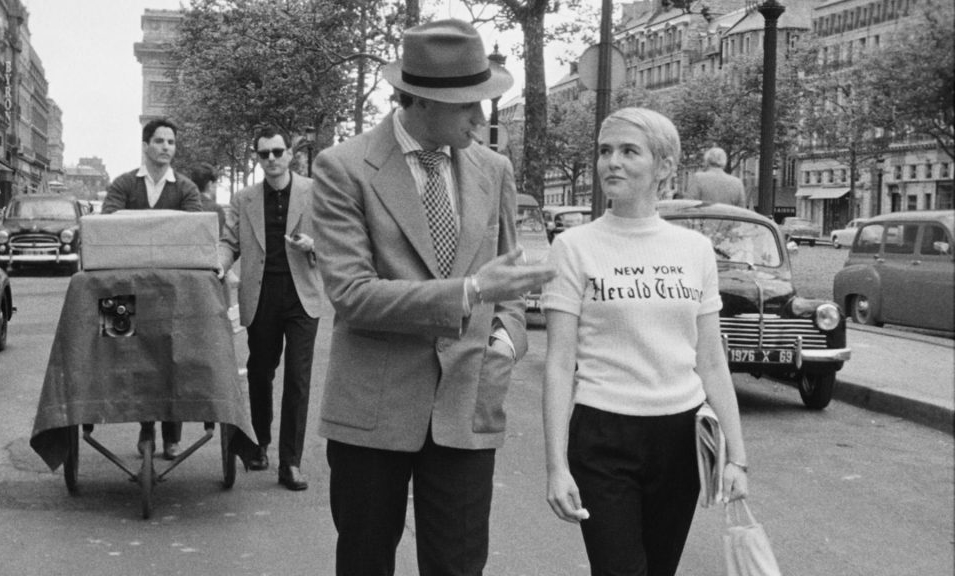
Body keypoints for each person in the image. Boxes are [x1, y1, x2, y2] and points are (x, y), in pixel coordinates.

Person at [311, 19, 556, 576]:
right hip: (373, 410)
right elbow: (351, 294)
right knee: (365, 561)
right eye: (468, 105)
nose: (480, 118)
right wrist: (470, 292)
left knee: (460, 566)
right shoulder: (343, 168)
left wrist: (507, 341)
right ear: (419, 100)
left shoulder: (494, 170)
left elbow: (509, 277)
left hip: (467, 403)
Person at [541, 108, 749, 576]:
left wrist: (737, 457)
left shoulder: (694, 250)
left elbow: (711, 361)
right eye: (605, 151)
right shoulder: (573, 247)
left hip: (680, 438)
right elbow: (559, 363)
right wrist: (556, 466)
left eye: (629, 151)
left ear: (665, 166)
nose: (611, 162)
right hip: (603, 435)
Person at [218, 126, 322, 491]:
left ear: (291, 154)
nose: (272, 159)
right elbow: (229, 243)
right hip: (261, 296)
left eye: (278, 151)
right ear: (257, 159)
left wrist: (313, 244)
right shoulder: (244, 199)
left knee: (298, 379)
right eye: (264, 154)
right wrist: (219, 266)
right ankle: (260, 444)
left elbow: (339, 237)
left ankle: (290, 462)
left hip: (301, 296)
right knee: (260, 372)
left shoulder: (314, 192)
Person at [102, 117, 202, 461]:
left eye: (171, 142)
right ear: (146, 146)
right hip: (125, 289)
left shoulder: (186, 188)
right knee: (131, 358)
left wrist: (136, 227)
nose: (166, 148)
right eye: (159, 141)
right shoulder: (123, 184)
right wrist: (164, 229)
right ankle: (146, 429)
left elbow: (194, 233)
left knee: (173, 359)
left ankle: (172, 435)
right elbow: (106, 229)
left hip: (171, 290)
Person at [682, 146, 746, 206]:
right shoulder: (737, 183)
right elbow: (742, 210)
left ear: (706, 161)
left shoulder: (698, 178)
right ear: (725, 162)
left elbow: (688, 205)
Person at [189, 162, 226, 232]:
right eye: (216, 183)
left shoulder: (184, 203)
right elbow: (219, 234)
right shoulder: (216, 209)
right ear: (210, 184)